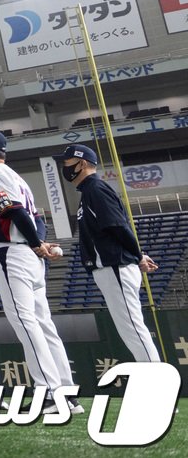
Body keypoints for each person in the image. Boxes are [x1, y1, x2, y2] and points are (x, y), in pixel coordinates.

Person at [0, 128, 78, 408]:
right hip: (29, 256)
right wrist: (38, 243)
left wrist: (35, 243)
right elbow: (36, 215)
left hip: (12, 252)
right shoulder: (17, 177)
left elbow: (12, 210)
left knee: (26, 322)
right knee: (43, 324)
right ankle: (67, 392)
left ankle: (50, 394)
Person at [61, 144, 161, 362]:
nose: (64, 166)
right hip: (111, 267)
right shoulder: (89, 191)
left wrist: (138, 256)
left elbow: (116, 226)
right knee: (131, 330)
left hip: (115, 266)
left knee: (133, 330)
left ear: (83, 163)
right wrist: (138, 256)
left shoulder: (95, 189)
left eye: (67, 162)